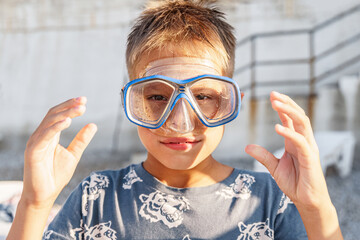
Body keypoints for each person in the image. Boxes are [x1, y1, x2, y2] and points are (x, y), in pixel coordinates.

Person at [8, 1, 343, 239]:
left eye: (204, 97)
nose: (180, 122)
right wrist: (34, 204)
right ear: (131, 102)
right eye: (156, 98)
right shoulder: (95, 198)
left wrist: (316, 207)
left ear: (230, 103)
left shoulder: (270, 201)